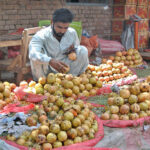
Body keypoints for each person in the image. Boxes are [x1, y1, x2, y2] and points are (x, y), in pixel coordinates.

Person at [29, 8, 89, 81]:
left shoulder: (72, 33)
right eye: (59, 27)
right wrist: (50, 61)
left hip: (65, 68)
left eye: (66, 28)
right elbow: (33, 54)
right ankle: (41, 82)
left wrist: (72, 51)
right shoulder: (41, 35)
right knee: (37, 55)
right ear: (52, 22)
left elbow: (76, 51)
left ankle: (73, 80)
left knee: (83, 50)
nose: (62, 31)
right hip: (47, 71)